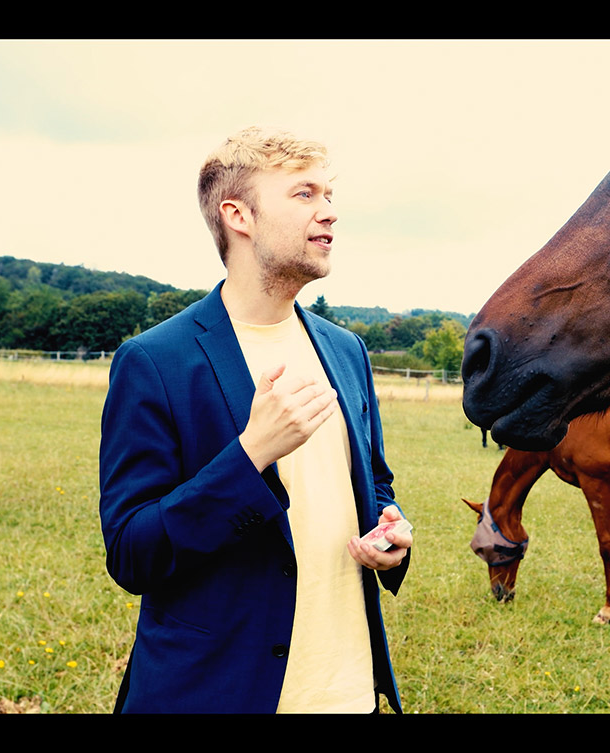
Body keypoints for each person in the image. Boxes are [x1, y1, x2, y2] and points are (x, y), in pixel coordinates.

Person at [99, 127, 412, 714]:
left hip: (347, 693)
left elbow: (376, 482)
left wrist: (390, 530)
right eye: (304, 194)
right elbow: (131, 553)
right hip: (218, 694)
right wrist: (249, 457)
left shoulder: (346, 350)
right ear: (238, 215)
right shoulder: (155, 362)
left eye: (329, 194)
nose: (330, 212)